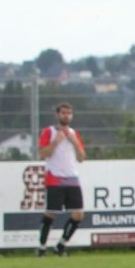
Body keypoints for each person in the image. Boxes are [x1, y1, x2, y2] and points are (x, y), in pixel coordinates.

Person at [36, 103, 86, 256]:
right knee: (51, 213)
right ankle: (41, 247)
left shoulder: (74, 133)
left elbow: (81, 158)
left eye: (69, 113)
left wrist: (75, 142)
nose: (66, 116)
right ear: (57, 115)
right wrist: (56, 141)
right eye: (63, 113)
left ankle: (61, 245)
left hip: (72, 177)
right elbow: (42, 153)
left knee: (78, 214)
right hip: (55, 177)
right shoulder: (49, 131)